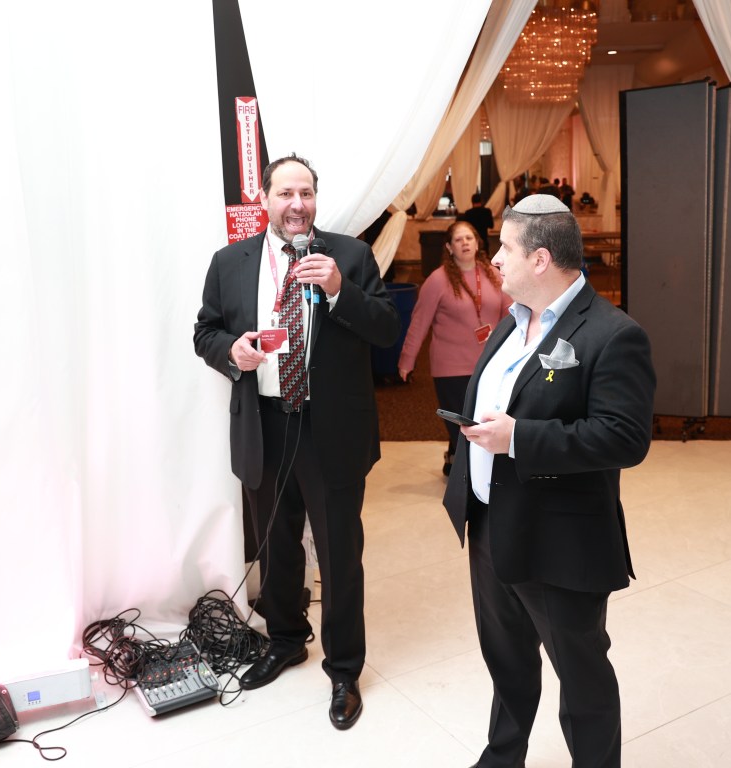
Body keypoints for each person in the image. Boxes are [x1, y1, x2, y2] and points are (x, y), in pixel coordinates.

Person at [442, 194, 656, 767]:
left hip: (560, 541)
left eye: (505, 248)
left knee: (581, 678)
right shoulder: (510, 324)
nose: (494, 259)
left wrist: (519, 438)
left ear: (540, 259)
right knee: (507, 661)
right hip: (491, 526)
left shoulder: (613, 334)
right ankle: (502, 757)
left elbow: (624, 438)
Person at [193, 153, 400, 730]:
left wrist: (338, 290)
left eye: (306, 193)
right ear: (264, 199)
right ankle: (286, 640)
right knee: (276, 544)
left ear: (315, 199)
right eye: (285, 193)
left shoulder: (350, 256)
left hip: (329, 427)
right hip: (264, 423)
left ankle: (344, 669)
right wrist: (232, 351)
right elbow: (205, 331)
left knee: (338, 553)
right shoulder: (229, 262)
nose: (297, 204)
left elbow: (386, 328)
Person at [397, 221, 510, 476]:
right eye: (458, 240)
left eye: (469, 238)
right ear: (449, 247)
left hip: (488, 365)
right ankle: (468, 475)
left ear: (478, 243)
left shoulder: (494, 274)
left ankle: (454, 461)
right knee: (463, 424)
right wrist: (407, 359)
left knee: (483, 420)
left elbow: (510, 313)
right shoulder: (438, 280)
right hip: (451, 368)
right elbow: (419, 322)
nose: (465, 243)